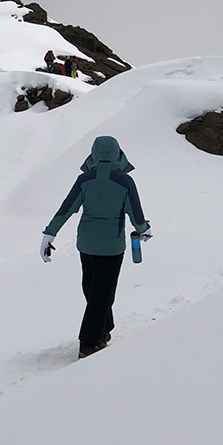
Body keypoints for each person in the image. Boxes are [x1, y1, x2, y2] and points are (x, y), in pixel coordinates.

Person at [39, 136, 152, 359]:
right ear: (118, 153)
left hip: (86, 244)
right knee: (102, 293)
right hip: (111, 246)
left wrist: (49, 234)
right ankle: (89, 343)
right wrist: (144, 229)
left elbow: (67, 209)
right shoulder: (125, 181)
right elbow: (135, 214)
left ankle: (104, 327)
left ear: (93, 154)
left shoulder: (84, 179)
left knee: (92, 289)